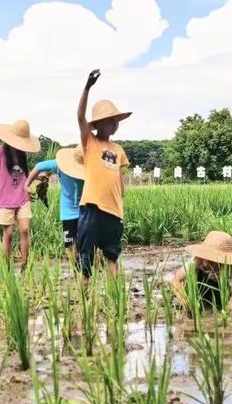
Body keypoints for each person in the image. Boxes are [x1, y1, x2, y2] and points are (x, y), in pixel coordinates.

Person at [76, 69, 132, 282]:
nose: (114, 124)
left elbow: (119, 178)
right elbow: (80, 117)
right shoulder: (90, 142)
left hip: (114, 212)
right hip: (93, 208)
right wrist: (87, 87)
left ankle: (114, 299)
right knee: (86, 262)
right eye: (110, 120)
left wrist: (121, 203)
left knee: (112, 258)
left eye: (116, 120)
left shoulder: (119, 149)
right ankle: (85, 302)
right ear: (98, 124)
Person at [0, 119, 40, 268]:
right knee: (8, 234)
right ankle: (6, 266)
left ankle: (24, 264)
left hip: (22, 198)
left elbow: (24, 176)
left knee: (24, 230)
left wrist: (33, 182)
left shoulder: (23, 154)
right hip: (4, 200)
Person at [25, 146, 85, 260]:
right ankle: (78, 274)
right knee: (71, 246)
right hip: (69, 213)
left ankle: (91, 273)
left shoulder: (90, 169)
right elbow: (38, 167)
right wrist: (26, 184)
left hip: (86, 212)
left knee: (88, 247)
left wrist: (28, 183)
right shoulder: (60, 165)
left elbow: (39, 166)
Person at [171, 231, 232, 312]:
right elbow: (176, 280)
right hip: (199, 288)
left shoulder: (229, 266)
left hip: (218, 290)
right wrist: (187, 303)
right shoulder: (197, 260)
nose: (212, 266)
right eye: (210, 261)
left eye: (217, 262)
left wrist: (227, 309)